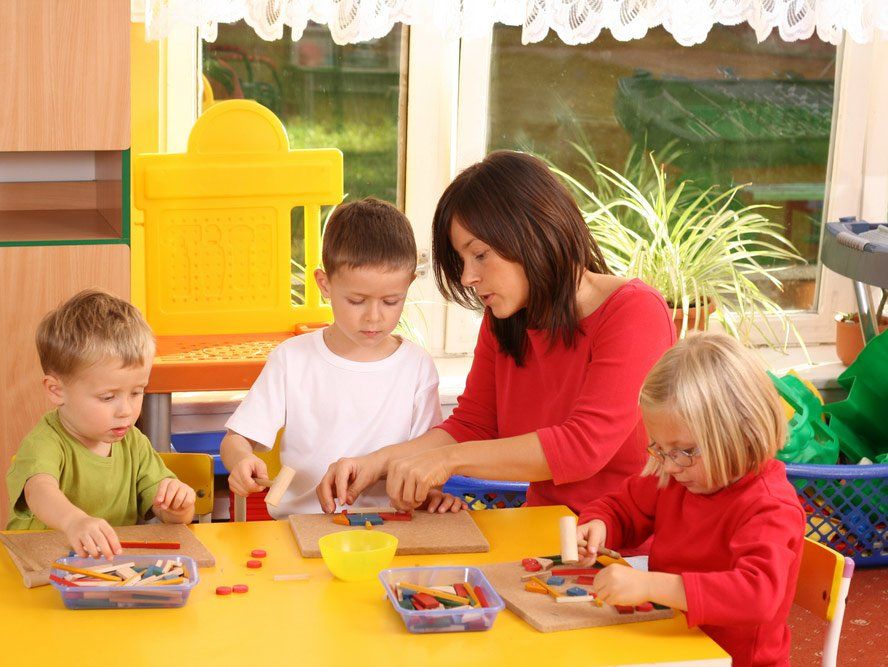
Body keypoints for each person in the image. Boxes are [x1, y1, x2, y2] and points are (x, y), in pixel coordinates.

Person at [318, 150, 675, 515]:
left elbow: (583, 447)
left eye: (480, 255)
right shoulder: (506, 317)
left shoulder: (635, 312)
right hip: (544, 533)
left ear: (532, 232)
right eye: (462, 260)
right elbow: (474, 423)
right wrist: (375, 463)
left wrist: (446, 462)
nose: (467, 277)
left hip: (626, 550)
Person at [221, 197, 463, 517]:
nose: (374, 317)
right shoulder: (292, 360)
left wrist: (431, 495)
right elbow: (235, 440)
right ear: (325, 284)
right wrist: (241, 461)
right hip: (301, 527)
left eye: (391, 301)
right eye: (357, 300)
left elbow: (427, 458)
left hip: (391, 529)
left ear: (408, 285)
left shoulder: (416, 366)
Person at [576, 333, 805, 667]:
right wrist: (599, 526)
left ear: (739, 433)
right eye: (660, 448)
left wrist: (650, 585)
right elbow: (623, 508)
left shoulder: (769, 506)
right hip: (672, 646)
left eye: (684, 451)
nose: (668, 465)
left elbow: (757, 595)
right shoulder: (678, 476)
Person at [6, 289, 195, 558]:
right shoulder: (45, 443)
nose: (126, 411)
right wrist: (74, 521)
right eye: (108, 397)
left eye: (137, 392)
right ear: (56, 390)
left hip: (106, 571)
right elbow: (39, 491)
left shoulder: (135, 443)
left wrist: (179, 506)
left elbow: (170, 514)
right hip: (41, 566)